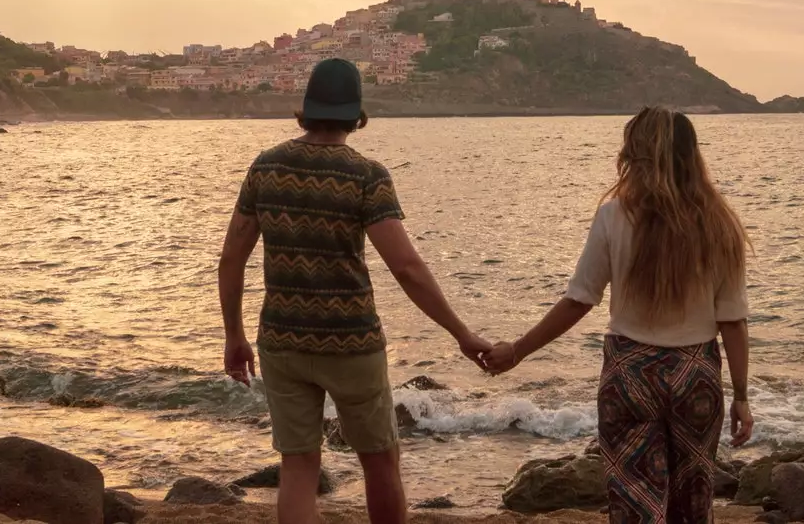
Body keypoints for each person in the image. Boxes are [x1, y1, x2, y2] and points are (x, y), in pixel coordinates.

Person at [218, 57, 492, 524]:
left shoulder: (266, 168)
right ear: (357, 114)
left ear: (305, 109)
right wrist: (461, 334)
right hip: (351, 343)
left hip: (281, 340)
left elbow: (231, 259)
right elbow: (405, 267)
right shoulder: (366, 175)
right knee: (380, 460)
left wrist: (234, 336)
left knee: (299, 465)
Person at [484, 107, 754, 524]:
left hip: (630, 376)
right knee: (693, 501)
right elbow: (732, 321)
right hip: (695, 375)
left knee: (634, 501)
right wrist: (740, 396)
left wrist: (518, 351)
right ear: (691, 155)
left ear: (634, 154)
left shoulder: (614, 216)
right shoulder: (719, 224)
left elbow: (579, 301)